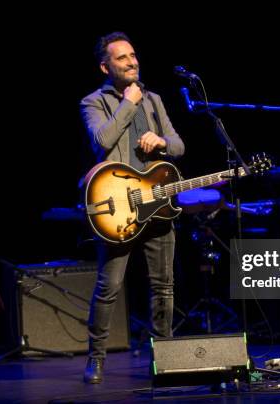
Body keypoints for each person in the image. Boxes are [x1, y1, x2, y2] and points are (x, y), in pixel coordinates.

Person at [80, 32, 185, 384]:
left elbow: (179, 145)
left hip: (156, 204)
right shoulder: (93, 102)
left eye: (133, 55)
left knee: (163, 286)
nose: (132, 62)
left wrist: (162, 141)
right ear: (106, 66)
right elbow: (102, 141)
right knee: (108, 287)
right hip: (118, 209)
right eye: (122, 58)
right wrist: (128, 102)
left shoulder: (154, 100)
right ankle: (96, 358)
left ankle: (164, 357)